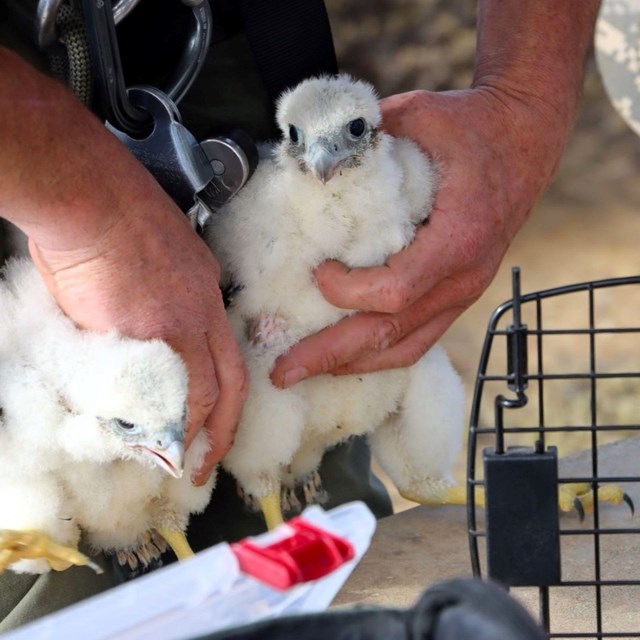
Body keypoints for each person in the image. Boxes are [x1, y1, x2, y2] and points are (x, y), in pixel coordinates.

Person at [0, 0, 600, 631]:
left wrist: (520, 104)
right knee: (49, 591)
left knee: (334, 576)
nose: (321, 161)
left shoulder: (320, 176)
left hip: (214, 61)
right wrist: (97, 222)